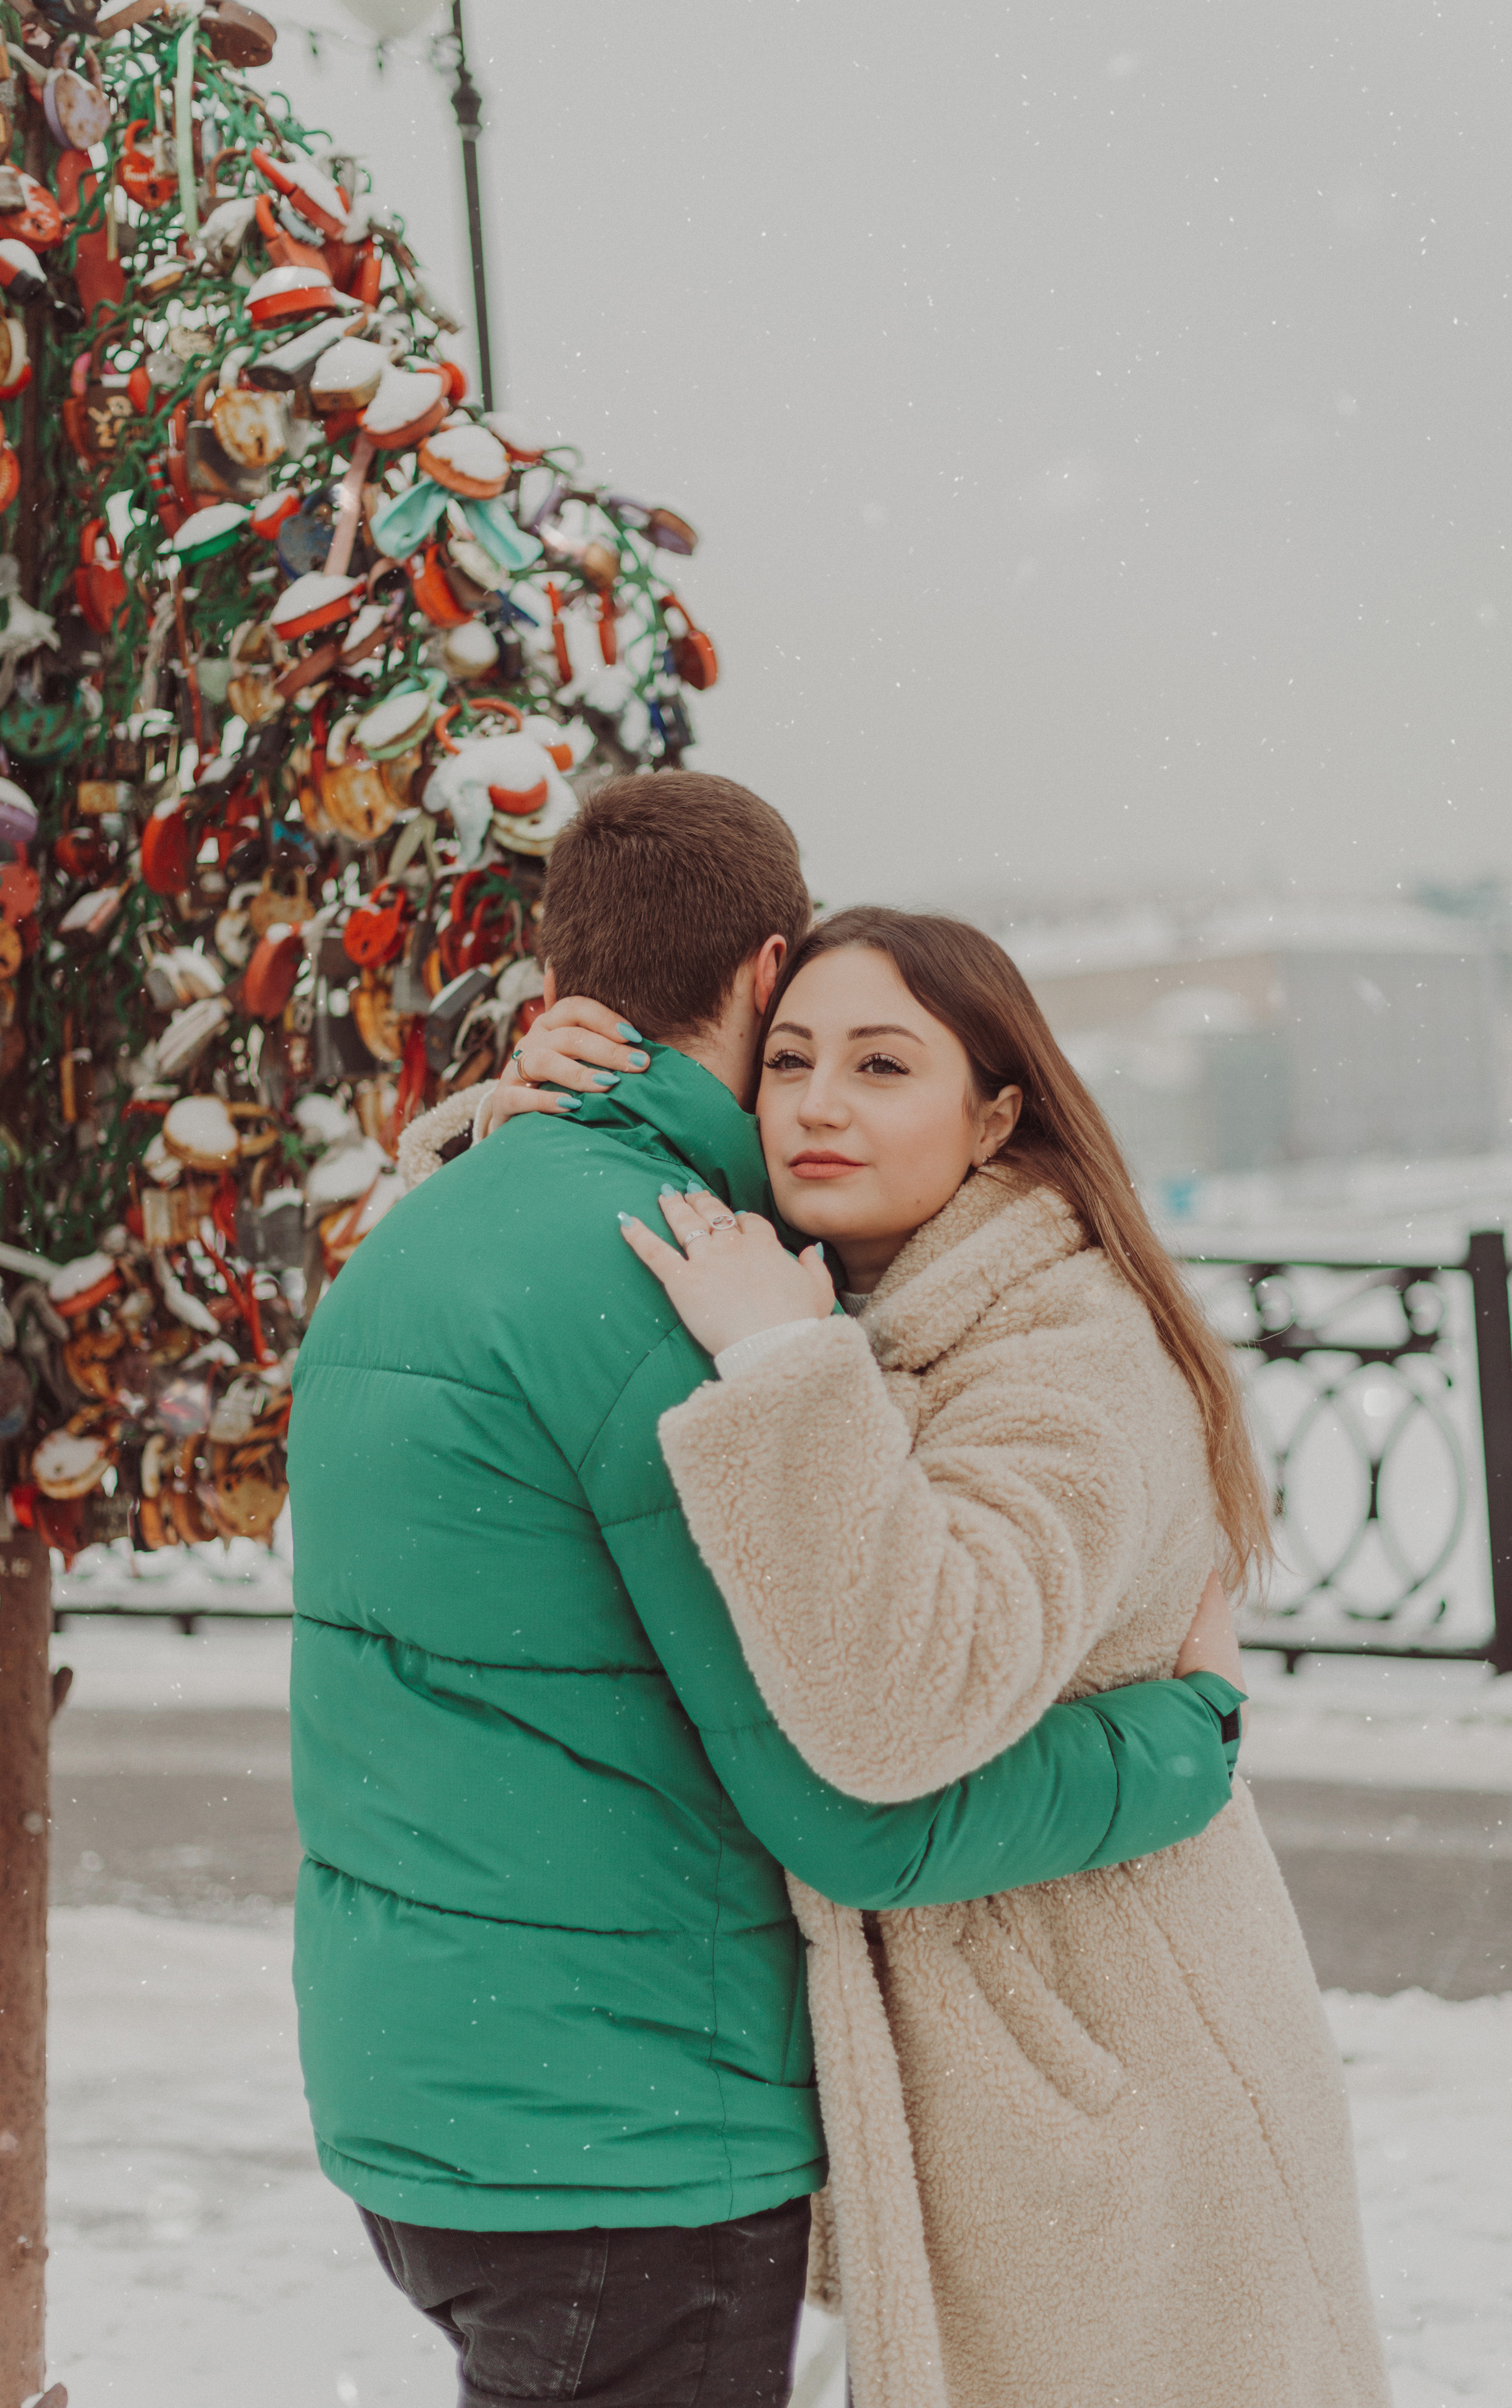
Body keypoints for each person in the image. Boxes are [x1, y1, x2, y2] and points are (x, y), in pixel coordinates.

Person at [287, 774, 1248, 2408]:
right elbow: (858, 1803)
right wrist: (1181, 1742)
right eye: (800, 1049)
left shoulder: (433, 1225)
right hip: (625, 2129)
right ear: (765, 971)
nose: (816, 1102)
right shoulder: (668, 1278)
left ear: (560, 981)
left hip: (421, 2092)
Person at [497, 901, 1390, 2408]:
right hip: (1003, 2106)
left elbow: (898, 1711)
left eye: (881, 1065)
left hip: (1116, 2099)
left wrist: (780, 1366)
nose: (817, 1104)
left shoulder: (1067, 1348)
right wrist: (538, 1129)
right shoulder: (855, 1288)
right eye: (787, 1061)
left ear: (994, 1117)